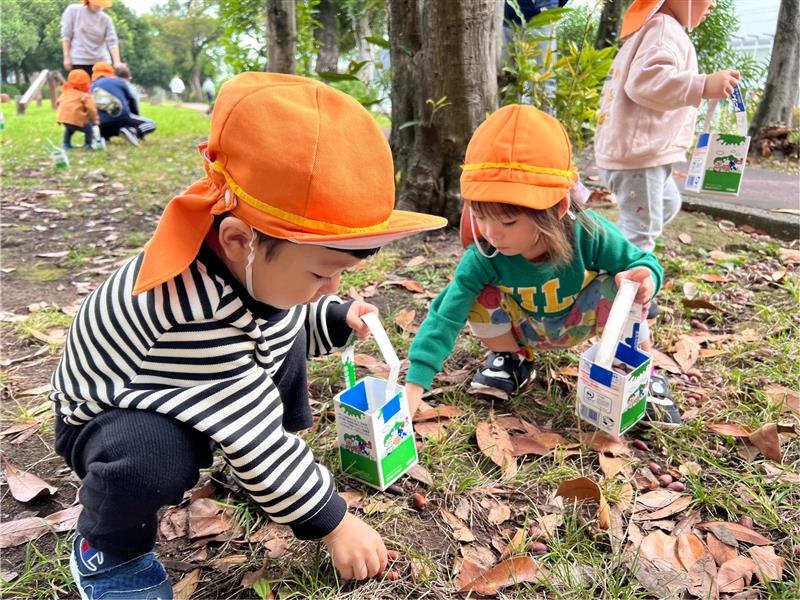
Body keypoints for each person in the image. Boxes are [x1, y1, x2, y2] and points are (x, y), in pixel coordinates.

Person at [50, 72, 447, 600]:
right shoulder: (190, 313)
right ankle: (108, 549)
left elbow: (271, 320)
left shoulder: (245, 265)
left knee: (287, 334)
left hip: (193, 386)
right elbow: (251, 430)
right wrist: (333, 522)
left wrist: (330, 316)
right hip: (111, 412)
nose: (333, 285)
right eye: (321, 272)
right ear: (240, 241)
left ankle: (274, 472)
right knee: (154, 461)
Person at [404, 104, 681, 426]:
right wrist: (415, 385)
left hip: (578, 317)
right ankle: (512, 360)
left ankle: (639, 376)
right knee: (476, 295)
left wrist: (645, 279)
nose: (492, 234)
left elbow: (642, 261)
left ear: (558, 208)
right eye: (480, 217)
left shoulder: (588, 233)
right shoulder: (485, 254)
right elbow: (445, 316)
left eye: (508, 221)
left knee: (623, 288)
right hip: (524, 327)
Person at [594, 0, 739, 316]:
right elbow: (645, 82)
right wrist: (702, 84)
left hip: (642, 155)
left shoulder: (656, 27)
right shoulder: (663, 28)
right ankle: (630, 296)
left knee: (666, 205)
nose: (713, 4)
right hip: (639, 159)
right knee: (643, 230)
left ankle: (610, 256)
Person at [91, 62, 156, 145]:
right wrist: (135, 116)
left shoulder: (91, 86)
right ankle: (132, 131)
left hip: (102, 125)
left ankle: (104, 137)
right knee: (151, 124)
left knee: (105, 125)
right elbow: (131, 100)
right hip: (122, 120)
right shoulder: (118, 81)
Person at [61, 0, 124, 77]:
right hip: (79, 61)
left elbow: (112, 41)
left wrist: (117, 61)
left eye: (101, 4)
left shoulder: (106, 19)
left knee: (103, 88)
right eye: (96, 3)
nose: (98, 6)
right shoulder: (73, 11)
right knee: (80, 86)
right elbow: (66, 36)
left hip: (101, 62)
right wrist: (66, 57)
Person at [56, 69, 99, 150]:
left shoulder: (66, 92)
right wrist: (95, 119)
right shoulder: (85, 95)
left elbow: (57, 102)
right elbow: (91, 108)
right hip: (77, 119)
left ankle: (66, 144)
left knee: (69, 130)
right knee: (89, 130)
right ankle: (88, 145)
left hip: (64, 119)